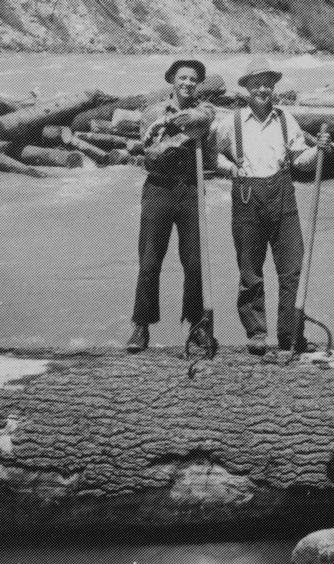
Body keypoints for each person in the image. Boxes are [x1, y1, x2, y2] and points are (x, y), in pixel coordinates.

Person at [214, 57, 331, 356]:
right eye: (256, 84)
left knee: (293, 268)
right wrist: (230, 168)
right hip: (247, 197)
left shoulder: (285, 119)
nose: (262, 90)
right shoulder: (231, 122)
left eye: (267, 84)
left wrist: (318, 151)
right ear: (247, 88)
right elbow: (213, 154)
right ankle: (256, 333)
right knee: (250, 271)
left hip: (283, 196)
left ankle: (290, 335)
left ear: (274, 87)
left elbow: (301, 161)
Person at [125, 59, 216, 353]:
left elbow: (205, 118)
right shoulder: (153, 112)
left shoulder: (205, 109)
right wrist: (182, 137)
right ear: (172, 80)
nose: (188, 83)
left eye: (193, 79)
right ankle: (141, 326)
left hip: (191, 188)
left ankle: (196, 324)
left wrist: (188, 124)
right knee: (150, 260)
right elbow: (151, 152)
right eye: (182, 78)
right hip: (159, 188)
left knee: (195, 261)